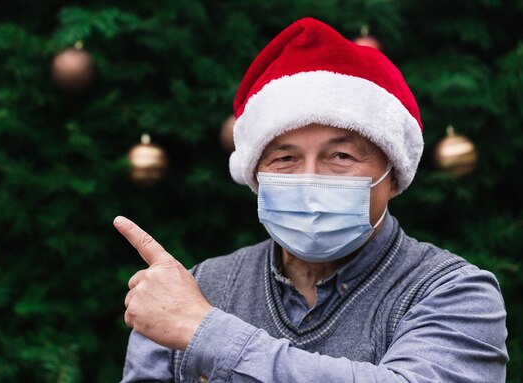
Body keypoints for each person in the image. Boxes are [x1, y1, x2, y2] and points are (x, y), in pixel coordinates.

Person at [114, 17, 508, 382]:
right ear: (255, 176)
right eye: (285, 158)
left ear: (394, 178)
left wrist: (206, 333)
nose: (309, 179)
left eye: (341, 156)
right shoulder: (201, 287)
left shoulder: (453, 292)